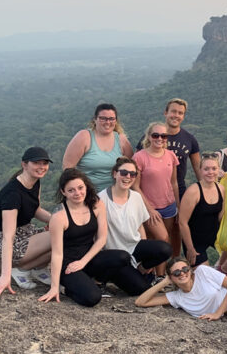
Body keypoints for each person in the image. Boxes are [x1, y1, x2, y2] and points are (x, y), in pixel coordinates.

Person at [39, 168, 147, 307]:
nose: (77, 193)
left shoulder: (96, 204)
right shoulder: (59, 217)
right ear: (63, 192)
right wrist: (54, 287)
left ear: (86, 186)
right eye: (71, 190)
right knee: (92, 298)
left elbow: (102, 238)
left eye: (80, 188)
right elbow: (57, 254)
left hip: (89, 258)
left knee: (137, 283)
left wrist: (83, 262)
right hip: (69, 266)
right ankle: (65, 289)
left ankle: (102, 278)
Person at [0, 147, 54, 299]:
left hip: (26, 231)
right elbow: (8, 236)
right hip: (11, 241)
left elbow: (35, 209)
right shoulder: (12, 194)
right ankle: (20, 270)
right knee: (60, 234)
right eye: (36, 163)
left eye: (44, 163)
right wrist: (5, 275)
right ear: (24, 164)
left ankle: (39, 269)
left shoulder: (35, 182)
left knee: (66, 228)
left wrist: (55, 220)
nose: (41, 167)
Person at [135, 256, 227, 321]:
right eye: (176, 273)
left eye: (185, 269)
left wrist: (218, 313)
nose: (182, 273)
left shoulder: (202, 272)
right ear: (171, 277)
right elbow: (141, 302)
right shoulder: (176, 297)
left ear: (190, 269)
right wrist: (163, 282)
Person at [99, 157, 172, 285]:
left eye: (133, 174)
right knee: (140, 288)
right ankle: (111, 275)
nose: (128, 176)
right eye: (124, 173)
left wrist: (144, 258)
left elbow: (140, 226)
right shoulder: (101, 199)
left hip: (133, 249)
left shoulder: (136, 197)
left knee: (165, 249)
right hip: (115, 253)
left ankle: (140, 270)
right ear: (115, 173)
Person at [135, 98, 202, 200]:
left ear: (183, 117)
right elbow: (135, 166)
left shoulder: (190, 139)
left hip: (178, 191)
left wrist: (206, 189)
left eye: (180, 113)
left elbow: (198, 167)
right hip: (149, 195)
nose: (176, 115)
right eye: (173, 111)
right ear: (165, 113)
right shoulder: (151, 137)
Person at [133, 122, 180, 260]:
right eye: (155, 135)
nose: (160, 138)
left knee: (166, 237)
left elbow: (174, 182)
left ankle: (162, 272)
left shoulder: (171, 155)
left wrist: (178, 205)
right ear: (149, 136)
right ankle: (153, 272)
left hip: (169, 205)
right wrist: (149, 209)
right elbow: (135, 186)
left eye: (163, 136)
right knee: (161, 239)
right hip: (149, 207)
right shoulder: (139, 157)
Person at [62, 103, 134, 192]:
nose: (108, 122)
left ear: (116, 121)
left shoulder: (122, 140)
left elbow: (132, 168)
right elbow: (67, 168)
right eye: (103, 118)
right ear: (95, 119)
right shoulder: (84, 137)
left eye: (111, 119)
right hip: (87, 195)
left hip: (115, 195)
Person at [178, 153, 224, 267]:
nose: (210, 172)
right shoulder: (193, 191)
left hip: (213, 235)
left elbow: (220, 217)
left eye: (214, 168)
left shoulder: (221, 188)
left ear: (219, 170)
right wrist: (190, 248)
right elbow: (182, 222)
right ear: (200, 170)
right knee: (205, 275)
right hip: (194, 239)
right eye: (206, 169)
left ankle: (222, 269)